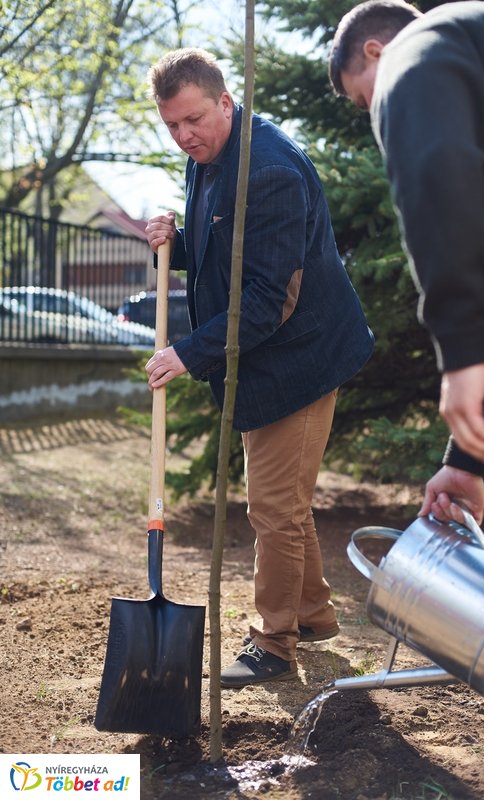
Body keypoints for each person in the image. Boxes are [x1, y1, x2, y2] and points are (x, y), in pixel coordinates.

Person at [328, 1, 484, 796]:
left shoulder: (420, 52)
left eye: (364, 99)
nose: (377, 117)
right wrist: (464, 461)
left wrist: (460, 353)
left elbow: (441, 170)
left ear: (376, 51)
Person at [143, 48, 374, 689]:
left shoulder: (268, 170)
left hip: (299, 356)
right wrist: (176, 245)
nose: (184, 136)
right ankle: (313, 615)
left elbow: (268, 299)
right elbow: (228, 247)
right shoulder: (209, 155)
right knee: (284, 502)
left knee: (273, 509)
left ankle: (274, 643)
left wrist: (187, 353)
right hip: (263, 354)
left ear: (225, 101)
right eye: (172, 125)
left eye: (193, 120)